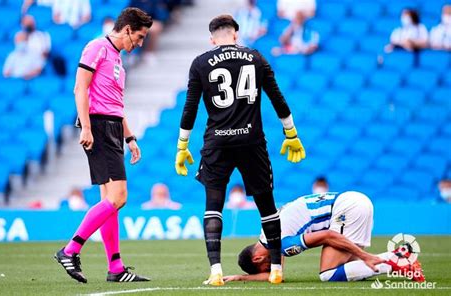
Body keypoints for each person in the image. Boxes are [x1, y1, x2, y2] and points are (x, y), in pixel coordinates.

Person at [174, 15, 306, 286]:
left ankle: (216, 271)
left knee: (213, 206)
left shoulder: (200, 62)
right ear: (236, 34)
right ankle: (277, 270)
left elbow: (190, 108)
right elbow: (277, 98)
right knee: (267, 207)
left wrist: (182, 145)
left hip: (217, 143)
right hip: (252, 141)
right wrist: (290, 133)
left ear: (212, 38)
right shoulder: (256, 57)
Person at [54, 7, 153, 284]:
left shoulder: (118, 58)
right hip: (97, 127)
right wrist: (86, 126)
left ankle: (116, 268)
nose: (141, 43)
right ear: (127, 30)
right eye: (141, 37)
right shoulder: (97, 47)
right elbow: (80, 88)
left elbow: (116, 106)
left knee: (109, 201)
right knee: (119, 197)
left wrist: (130, 137)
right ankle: (70, 250)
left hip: (111, 127)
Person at [225, 191, 425, 283]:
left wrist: (365, 256)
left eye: (266, 266)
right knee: (347, 266)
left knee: (328, 274)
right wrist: (240, 278)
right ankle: (398, 258)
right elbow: (277, 276)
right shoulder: (268, 232)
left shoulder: (280, 242)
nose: (273, 268)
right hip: (353, 201)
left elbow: (328, 235)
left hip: (348, 209)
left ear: (258, 258)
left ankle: (394, 262)